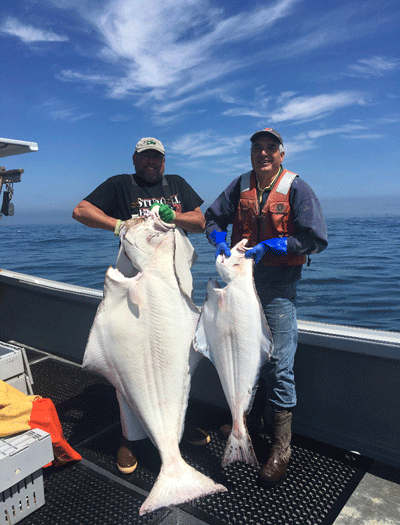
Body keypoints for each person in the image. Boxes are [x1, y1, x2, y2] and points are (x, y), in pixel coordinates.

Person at [73, 137, 209, 474]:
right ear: (135, 159)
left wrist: (174, 217)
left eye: (157, 157)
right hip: (137, 284)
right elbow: (80, 211)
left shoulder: (176, 184)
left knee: (179, 363)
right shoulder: (121, 184)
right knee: (132, 364)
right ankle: (130, 439)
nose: (151, 162)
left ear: (164, 162)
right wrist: (119, 225)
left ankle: (175, 427)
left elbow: (199, 221)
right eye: (145, 157)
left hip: (174, 285)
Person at [205, 127, 328, 486]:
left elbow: (316, 239)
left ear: (281, 154)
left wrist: (278, 246)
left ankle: (281, 447)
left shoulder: (297, 188)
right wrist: (216, 237)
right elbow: (213, 216)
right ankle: (247, 423)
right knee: (245, 354)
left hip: (278, 288)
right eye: (257, 148)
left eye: (270, 148)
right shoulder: (239, 184)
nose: (263, 153)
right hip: (241, 284)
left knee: (278, 364)